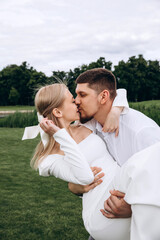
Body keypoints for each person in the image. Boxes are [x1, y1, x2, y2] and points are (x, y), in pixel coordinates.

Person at [22, 83, 160, 240]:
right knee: (142, 162)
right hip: (103, 211)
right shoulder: (47, 159)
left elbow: (117, 92)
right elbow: (86, 177)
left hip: (119, 187)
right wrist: (60, 134)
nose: (77, 102)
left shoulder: (85, 125)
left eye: (78, 97)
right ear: (58, 112)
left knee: (146, 169)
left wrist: (115, 111)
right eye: (72, 101)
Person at [66, 68, 160, 239]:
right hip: (101, 225)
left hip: (134, 228)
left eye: (82, 95)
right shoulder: (91, 126)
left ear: (103, 97)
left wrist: (132, 207)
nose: (76, 101)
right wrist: (77, 187)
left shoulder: (142, 132)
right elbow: (73, 180)